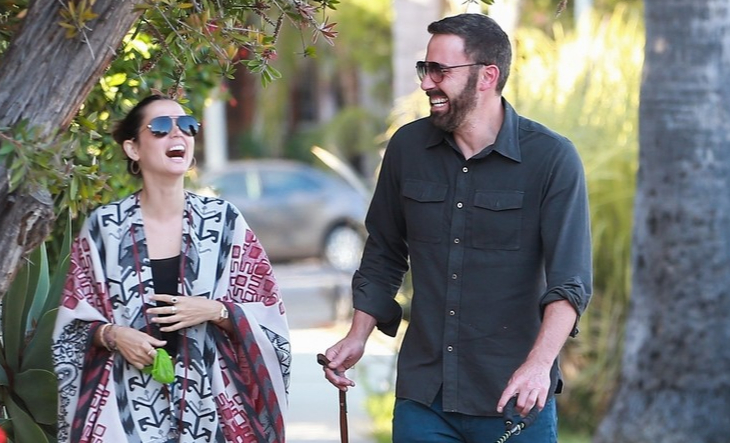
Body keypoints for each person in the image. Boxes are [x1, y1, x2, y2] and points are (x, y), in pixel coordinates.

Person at [321, 13, 592, 443]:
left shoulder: (552, 159)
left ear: (488, 76)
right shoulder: (408, 148)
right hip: (424, 396)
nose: (427, 83)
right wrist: (358, 336)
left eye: (440, 71)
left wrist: (539, 366)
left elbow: (570, 282)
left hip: (515, 397)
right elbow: (384, 252)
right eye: (424, 69)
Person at [52, 94, 290, 443]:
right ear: (133, 148)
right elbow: (71, 328)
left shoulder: (224, 222)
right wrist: (114, 336)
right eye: (161, 127)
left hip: (214, 412)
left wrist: (217, 310)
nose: (178, 134)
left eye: (188, 126)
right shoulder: (106, 227)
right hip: (124, 414)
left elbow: (269, 315)